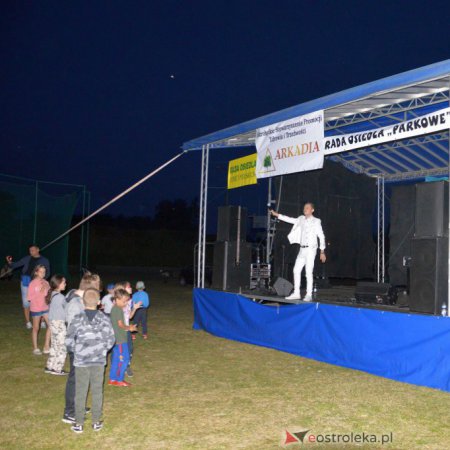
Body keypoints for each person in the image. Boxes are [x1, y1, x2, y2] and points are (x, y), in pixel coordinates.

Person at [66, 288, 115, 433]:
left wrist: (77, 351)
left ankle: (79, 423)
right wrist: (102, 351)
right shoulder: (105, 319)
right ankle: (96, 421)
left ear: (82, 301)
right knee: (97, 390)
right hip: (98, 362)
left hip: (81, 361)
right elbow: (111, 338)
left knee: (80, 391)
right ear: (99, 303)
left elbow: (68, 339)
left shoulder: (77, 318)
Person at [62, 272, 102, 425]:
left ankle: (77, 406)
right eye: (96, 290)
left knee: (81, 378)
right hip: (77, 347)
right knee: (75, 379)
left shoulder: (80, 301)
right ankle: (69, 412)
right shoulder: (75, 304)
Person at [270, 202, 326, 301]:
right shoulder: (301, 219)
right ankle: (296, 293)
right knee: (296, 270)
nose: (305, 209)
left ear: (312, 210)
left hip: (311, 249)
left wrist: (322, 251)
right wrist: (277, 215)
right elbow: (290, 219)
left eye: (307, 208)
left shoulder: (316, 221)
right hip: (302, 249)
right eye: (304, 208)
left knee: (308, 272)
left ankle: (309, 294)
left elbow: (321, 236)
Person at [6, 244, 50, 329]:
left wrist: (44, 282)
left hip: (38, 282)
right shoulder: (27, 258)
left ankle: (42, 321)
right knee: (26, 302)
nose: (31, 252)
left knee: (42, 300)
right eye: (30, 250)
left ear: (38, 250)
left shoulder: (44, 260)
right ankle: (28, 322)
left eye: (33, 250)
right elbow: (16, 265)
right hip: (26, 281)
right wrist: (10, 263)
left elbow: (47, 272)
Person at [108, 289, 137, 387]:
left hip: (116, 339)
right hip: (120, 340)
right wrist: (130, 328)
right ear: (117, 299)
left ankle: (112, 379)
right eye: (124, 301)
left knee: (116, 359)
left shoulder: (115, 308)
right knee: (124, 359)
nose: (125, 304)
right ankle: (119, 379)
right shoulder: (118, 309)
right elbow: (120, 325)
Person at [45, 274, 68, 375]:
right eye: (64, 282)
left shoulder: (53, 294)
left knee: (55, 345)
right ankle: (57, 368)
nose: (65, 284)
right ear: (58, 284)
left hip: (53, 322)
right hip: (59, 322)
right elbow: (66, 309)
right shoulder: (60, 297)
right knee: (62, 345)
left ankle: (50, 366)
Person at [28, 265, 51, 355]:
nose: (43, 274)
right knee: (36, 328)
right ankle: (35, 348)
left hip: (45, 308)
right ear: (36, 272)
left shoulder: (46, 282)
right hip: (36, 308)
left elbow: (48, 295)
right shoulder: (33, 283)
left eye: (44, 272)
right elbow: (29, 297)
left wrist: (48, 291)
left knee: (51, 325)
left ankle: (46, 346)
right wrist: (39, 293)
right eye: (41, 272)